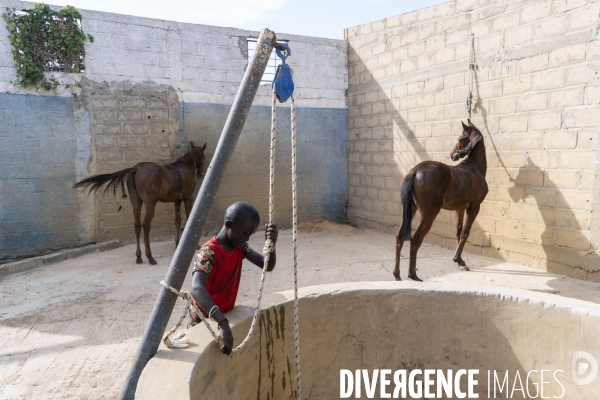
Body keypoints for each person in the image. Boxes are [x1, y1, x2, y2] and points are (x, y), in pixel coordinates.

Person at [190, 201, 278, 355]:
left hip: (223, 315)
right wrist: (222, 323)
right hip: (204, 318)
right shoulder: (208, 252)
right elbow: (196, 289)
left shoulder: (240, 246)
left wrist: (271, 244)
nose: (247, 239)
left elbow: (267, 266)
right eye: (245, 234)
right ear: (229, 224)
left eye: (250, 235)